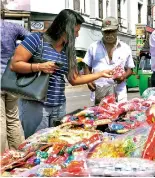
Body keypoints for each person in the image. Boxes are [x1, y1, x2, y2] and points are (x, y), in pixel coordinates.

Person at [10, 9, 112, 138]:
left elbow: (74, 79)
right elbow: (15, 64)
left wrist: (101, 74)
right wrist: (39, 66)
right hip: (35, 106)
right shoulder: (36, 40)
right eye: (76, 31)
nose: (77, 35)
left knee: (54, 145)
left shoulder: (68, 50)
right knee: (35, 144)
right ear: (65, 28)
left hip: (59, 107)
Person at [83, 16, 135, 104]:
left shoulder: (125, 48)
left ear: (117, 30)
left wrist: (123, 77)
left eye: (112, 31)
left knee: (120, 116)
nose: (109, 35)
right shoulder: (93, 47)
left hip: (120, 93)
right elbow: (86, 65)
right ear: (102, 31)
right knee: (101, 116)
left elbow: (130, 69)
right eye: (106, 32)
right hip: (100, 92)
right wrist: (89, 80)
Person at [0, 3, 30, 153]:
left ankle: (1, 159)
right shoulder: (13, 27)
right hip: (11, 80)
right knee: (13, 119)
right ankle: (19, 154)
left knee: (0, 121)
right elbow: (33, 39)